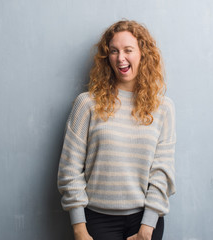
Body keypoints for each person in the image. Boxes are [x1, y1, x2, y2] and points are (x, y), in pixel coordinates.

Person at [57, 20, 176, 240]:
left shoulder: (163, 108)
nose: (120, 58)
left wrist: (147, 228)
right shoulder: (87, 104)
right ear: (107, 58)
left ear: (143, 54)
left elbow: (162, 172)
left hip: (145, 222)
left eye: (128, 50)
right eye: (114, 51)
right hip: (96, 221)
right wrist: (79, 228)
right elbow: (69, 170)